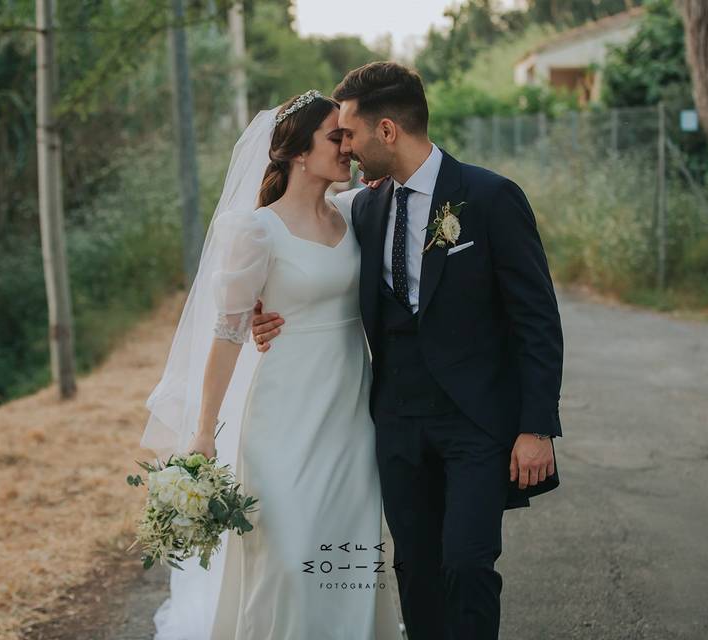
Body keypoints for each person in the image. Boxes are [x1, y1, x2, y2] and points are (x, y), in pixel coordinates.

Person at [250, 62, 565, 640]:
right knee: (413, 570)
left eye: (348, 133)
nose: (344, 146)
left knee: (467, 566)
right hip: (395, 422)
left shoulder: (491, 198)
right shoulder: (363, 210)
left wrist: (537, 427)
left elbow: (537, 319)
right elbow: (296, 249)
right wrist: (257, 306)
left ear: (387, 131)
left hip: (476, 423)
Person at [140, 91, 403, 639]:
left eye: (349, 138)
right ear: (298, 153)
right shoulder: (256, 230)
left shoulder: (355, 212)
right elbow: (227, 334)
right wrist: (203, 435)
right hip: (282, 419)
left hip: (350, 419)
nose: (349, 149)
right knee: (287, 561)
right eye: (337, 138)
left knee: (347, 564)